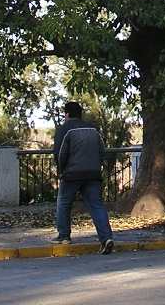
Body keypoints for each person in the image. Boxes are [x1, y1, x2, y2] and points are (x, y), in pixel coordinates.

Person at [52, 101, 114, 253]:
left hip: (71, 174)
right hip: (93, 173)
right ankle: (106, 237)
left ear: (67, 114)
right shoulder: (93, 129)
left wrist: (61, 171)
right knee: (96, 205)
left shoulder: (64, 129)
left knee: (64, 203)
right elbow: (102, 151)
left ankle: (64, 236)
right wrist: (97, 166)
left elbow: (60, 153)